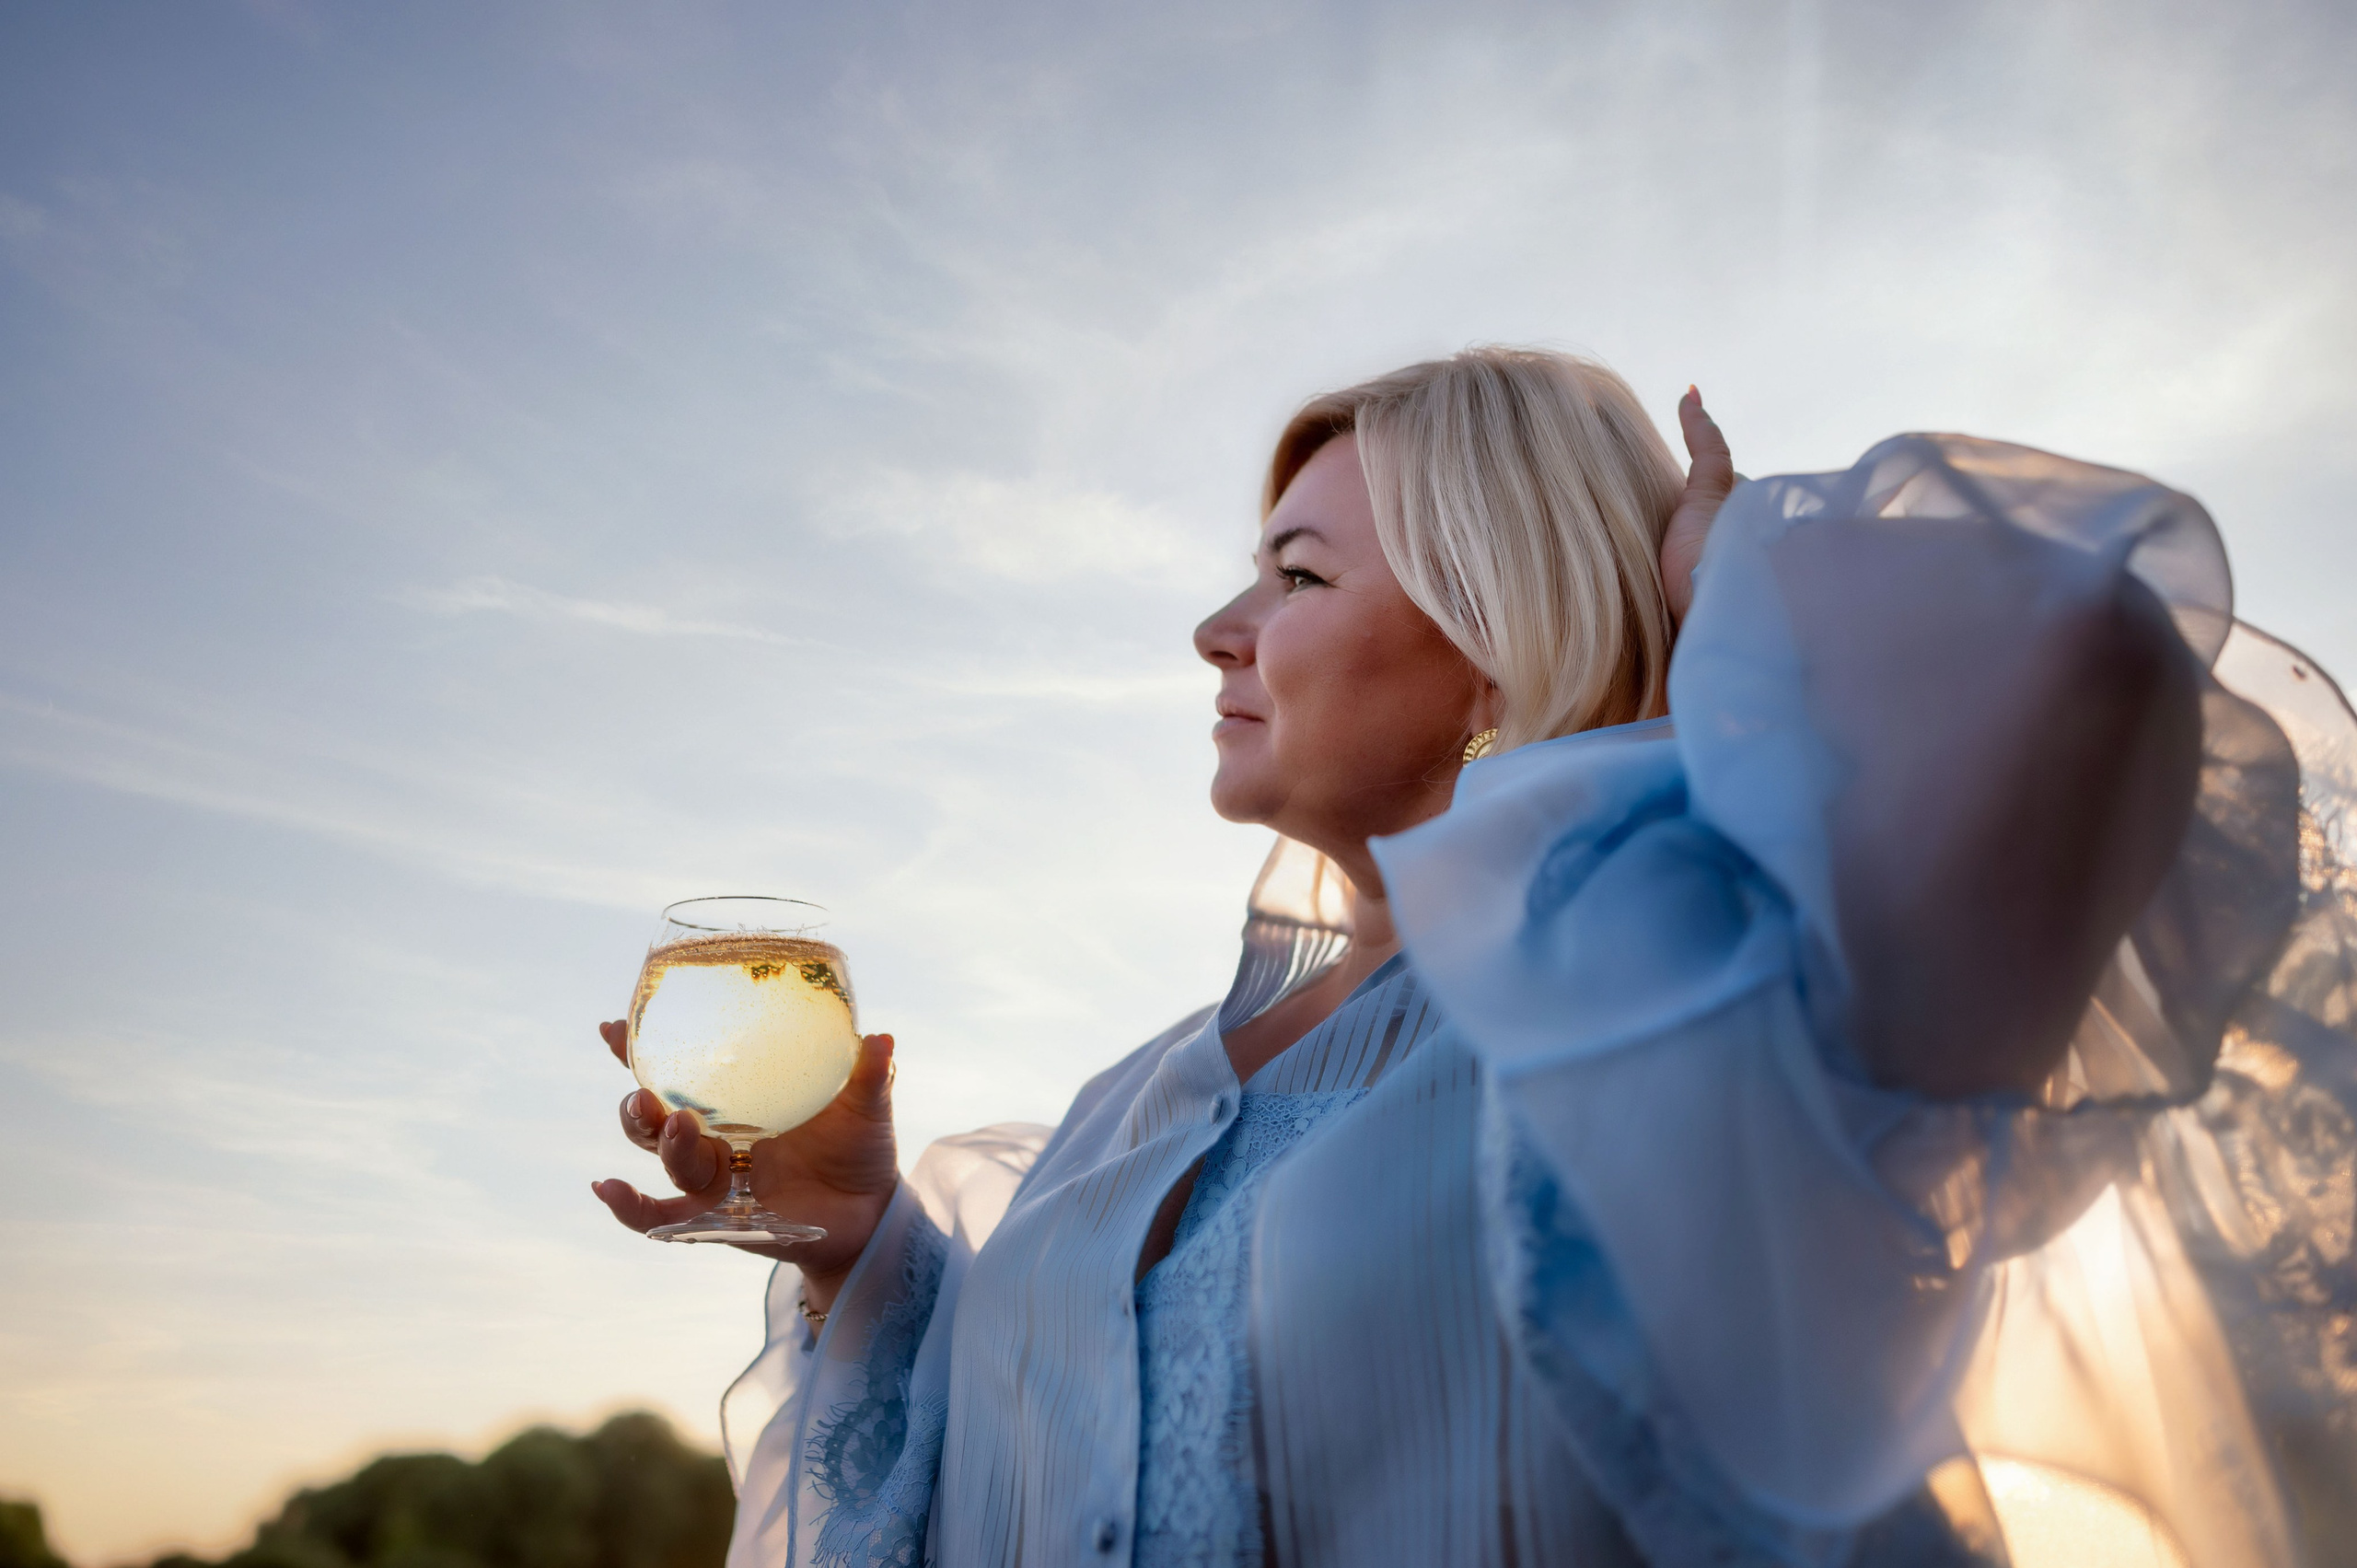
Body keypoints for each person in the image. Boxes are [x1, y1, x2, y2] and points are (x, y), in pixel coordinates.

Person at [593, 348, 2357, 1568]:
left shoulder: (1716, 964)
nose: (1216, 629)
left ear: (1501, 640)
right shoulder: (1131, 1104)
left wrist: (1739, 580)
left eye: (1293, 575)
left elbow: (2099, 678)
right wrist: (853, 1253)